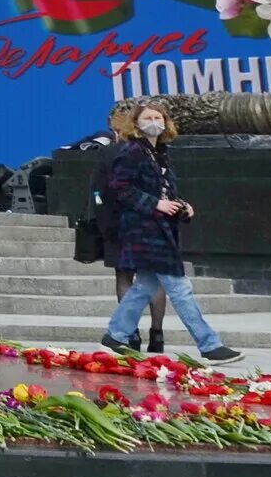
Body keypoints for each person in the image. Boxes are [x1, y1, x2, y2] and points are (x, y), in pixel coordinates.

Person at [98, 105, 241, 363]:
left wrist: (181, 206)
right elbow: (119, 188)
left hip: (157, 229)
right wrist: (155, 204)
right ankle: (209, 344)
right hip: (144, 231)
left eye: (158, 118)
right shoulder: (132, 151)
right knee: (179, 287)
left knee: (145, 286)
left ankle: (116, 334)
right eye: (148, 118)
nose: (154, 122)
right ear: (136, 124)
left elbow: (164, 192)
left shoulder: (159, 154)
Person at [91, 109, 168, 354]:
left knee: (124, 277)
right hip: (154, 222)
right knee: (154, 279)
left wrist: (102, 220)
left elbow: (97, 190)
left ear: (116, 131)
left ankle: (130, 332)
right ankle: (157, 334)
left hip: (119, 224)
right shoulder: (154, 152)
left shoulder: (109, 153)